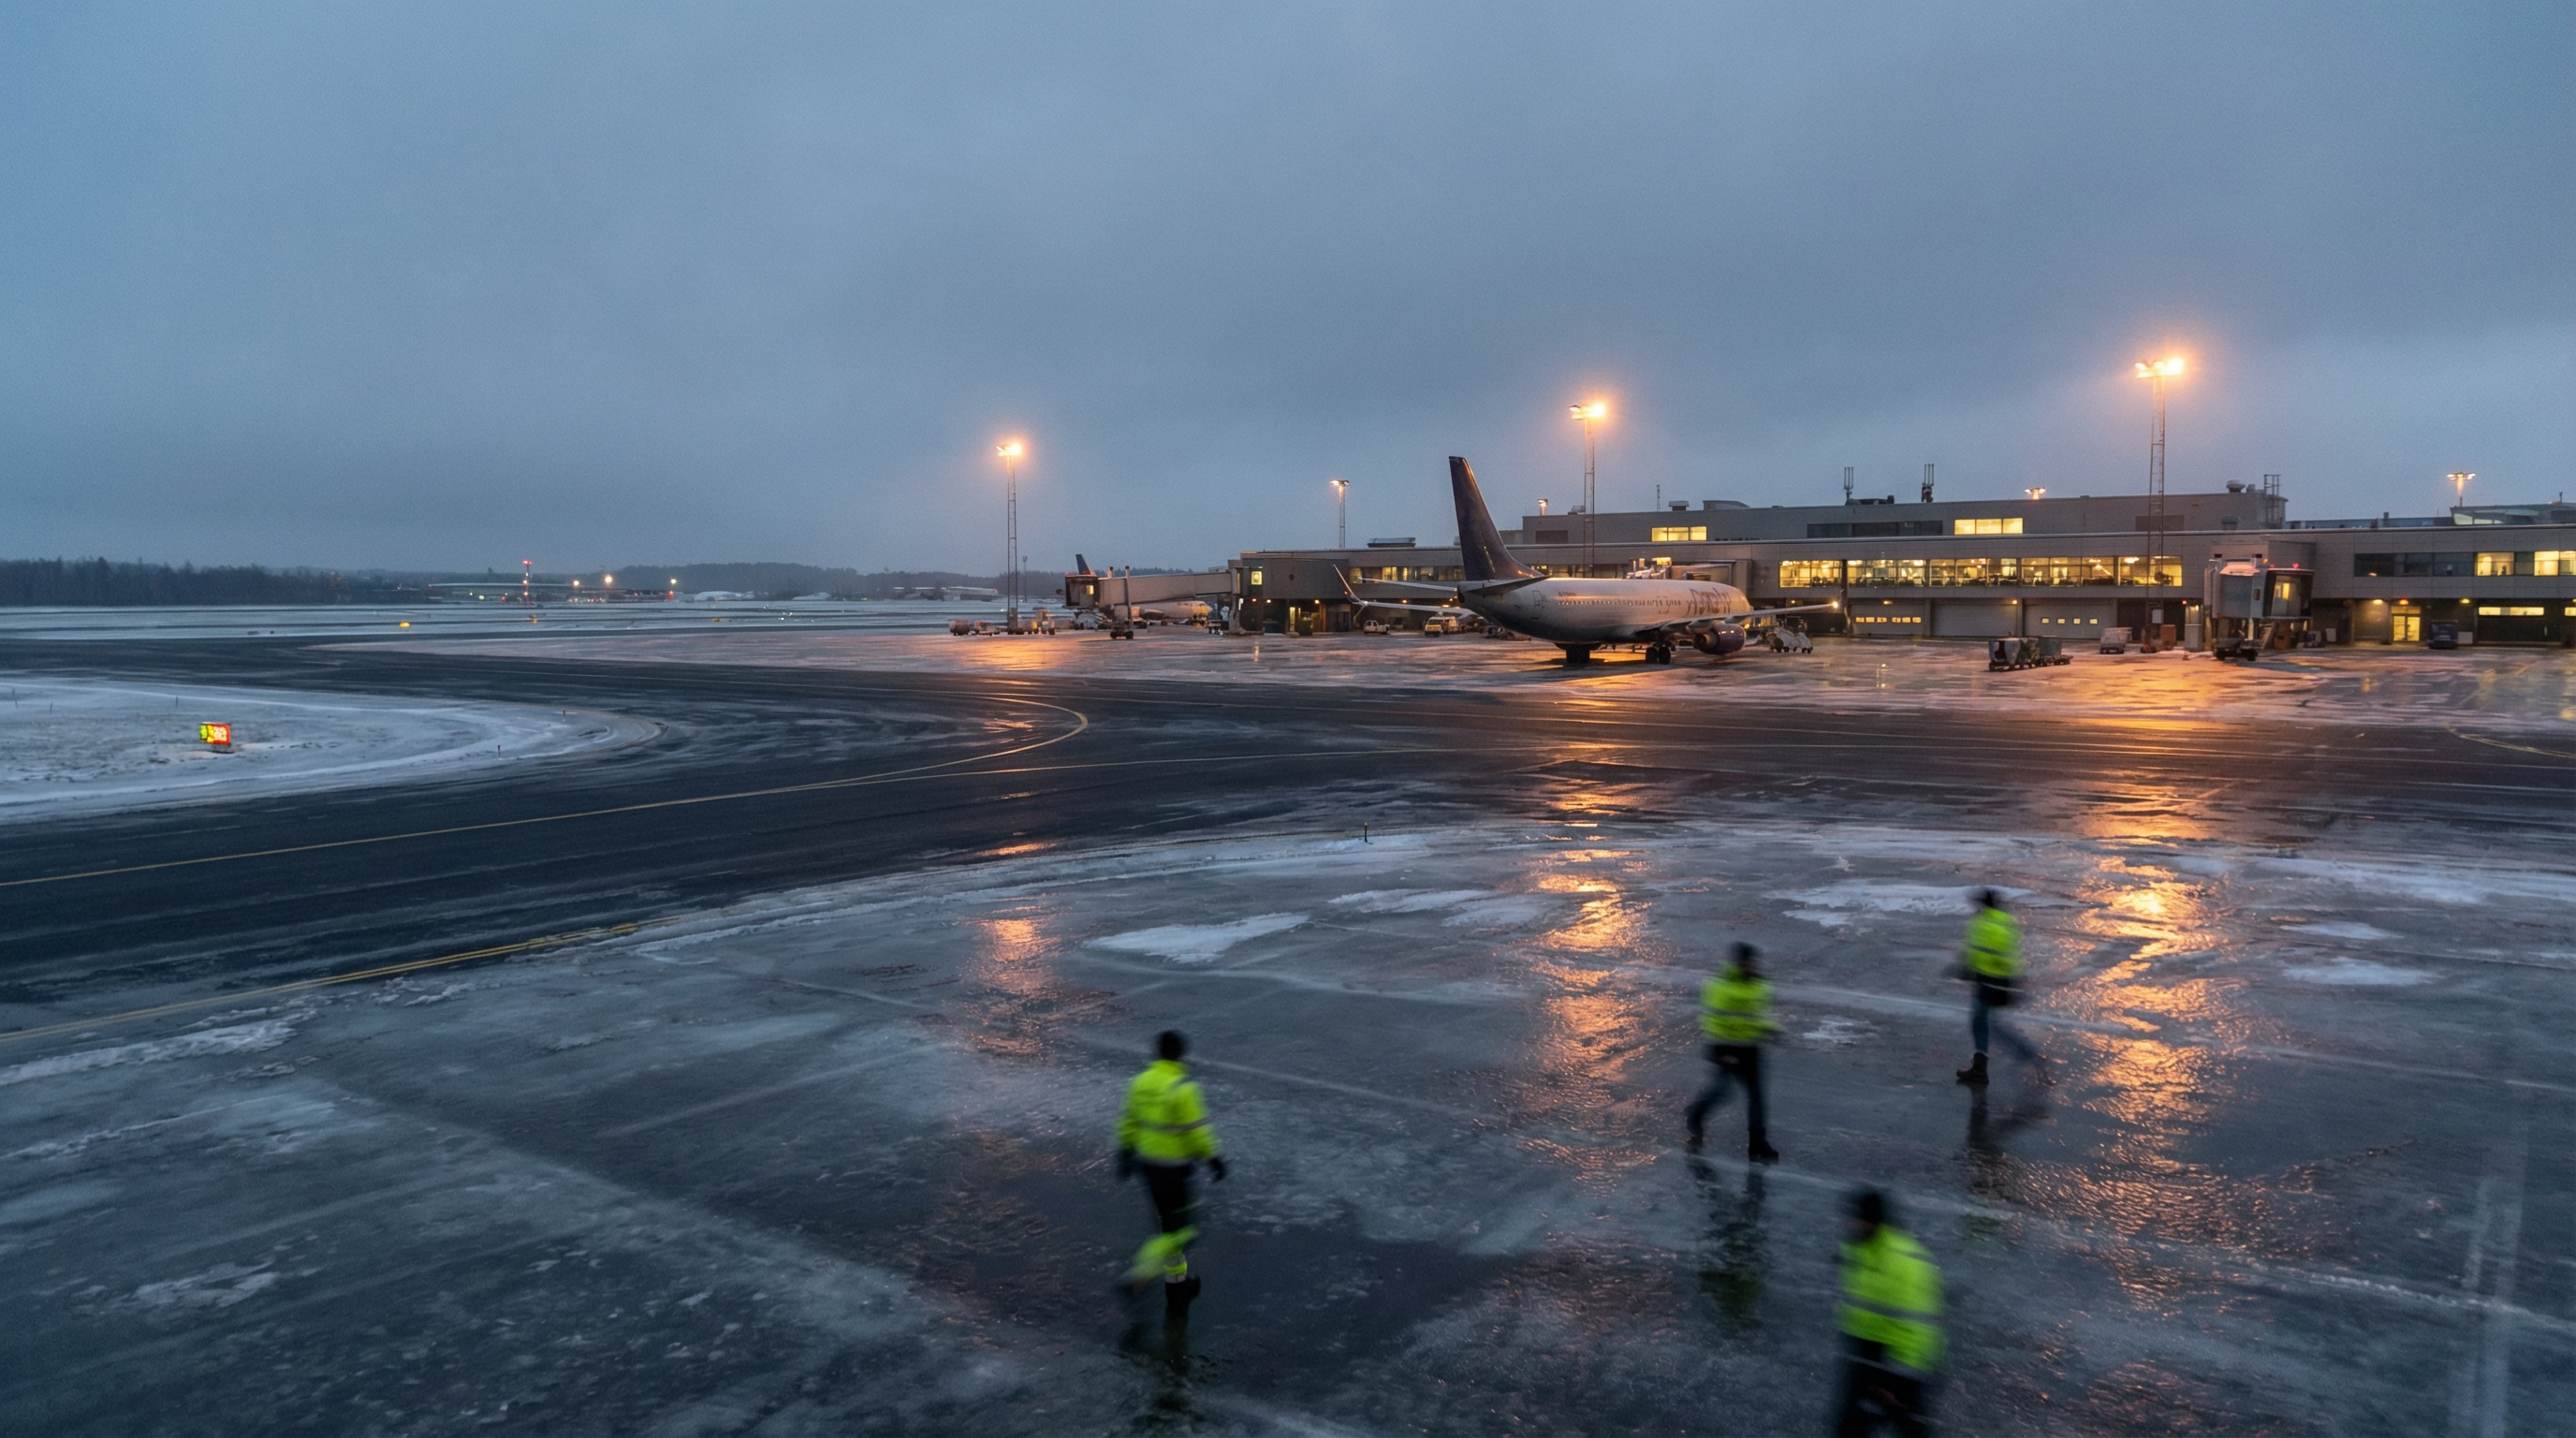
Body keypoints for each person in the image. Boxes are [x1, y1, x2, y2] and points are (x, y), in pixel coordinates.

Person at [1116, 1030, 1226, 1305]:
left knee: (1167, 1226)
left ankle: (1177, 1284)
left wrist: (1124, 1153)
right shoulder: (1182, 1088)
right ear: (1180, 1054)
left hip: (1147, 1167)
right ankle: (1137, 1276)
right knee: (1181, 1232)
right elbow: (1197, 1132)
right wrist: (1214, 1159)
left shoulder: (1140, 1082)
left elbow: (1128, 1121)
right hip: (1173, 1171)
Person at [1834, 1188, 1943, 1437]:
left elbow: (1918, 1325)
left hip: (1901, 1363)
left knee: (1908, 1426)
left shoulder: (1903, 1261)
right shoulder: (1856, 1249)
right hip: (1867, 1355)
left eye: (1857, 1218)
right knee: (1851, 1427)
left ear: (1872, 1221)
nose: (1850, 1223)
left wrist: (1896, 1377)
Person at [1686, 942, 1779, 1162]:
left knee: (1756, 1098)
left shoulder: (1760, 985)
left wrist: (1773, 1029)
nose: (1748, 965)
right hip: (1729, 1050)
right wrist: (1722, 1052)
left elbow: (1760, 1015)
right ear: (1737, 963)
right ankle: (1696, 1114)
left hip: (1751, 1049)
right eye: (1744, 961)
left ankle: (1757, 1145)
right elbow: (1713, 1021)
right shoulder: (1720, 987)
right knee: (1721, 1091)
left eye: (1751, 961)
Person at [1954, 888, 2039, 1086]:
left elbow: (1976, 949)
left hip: (1986, 981)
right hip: (2005, 980)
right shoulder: (2007, 921)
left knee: (1983, 1024)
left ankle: (2026, 1054)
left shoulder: (1981, 922)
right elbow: (2011, 951)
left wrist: (1966, 969)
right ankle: (2024, 1055)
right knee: (1988, 1023)